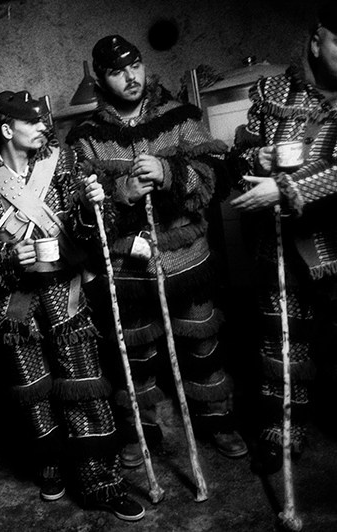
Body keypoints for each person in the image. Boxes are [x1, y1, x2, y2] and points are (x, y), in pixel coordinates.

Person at [0, 89, 145, 521]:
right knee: (33, 394)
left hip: (65, 292)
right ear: (7, 129)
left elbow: (88, 230)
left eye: (46, 119)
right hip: (15, 306)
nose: (46, 127)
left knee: (84, 387)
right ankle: (53, 465)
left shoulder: (64, 162)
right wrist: (4, 256)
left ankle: (102, 482)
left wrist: (95, 205)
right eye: (34, 121)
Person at [65, 34, 247, 467]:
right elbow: (77, 215)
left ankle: (217, 419)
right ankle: (141, 433)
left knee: (203, 343)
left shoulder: (180, 117)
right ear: (101, 80)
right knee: (136, 357)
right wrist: (121, 192)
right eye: (116, 71)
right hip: (129, 269)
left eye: (135, 65)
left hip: (187, 257)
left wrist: (170, 171)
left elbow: (218, 177)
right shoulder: (86, 138)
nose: (130, 77)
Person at [230, 4, 337, 474]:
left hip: (333, 240)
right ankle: (283, 427)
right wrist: (260, 161)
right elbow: (238, 154)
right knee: (282, 336)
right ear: (317, 41)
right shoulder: (273, 89)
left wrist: (290, 187)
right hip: (276, 242)